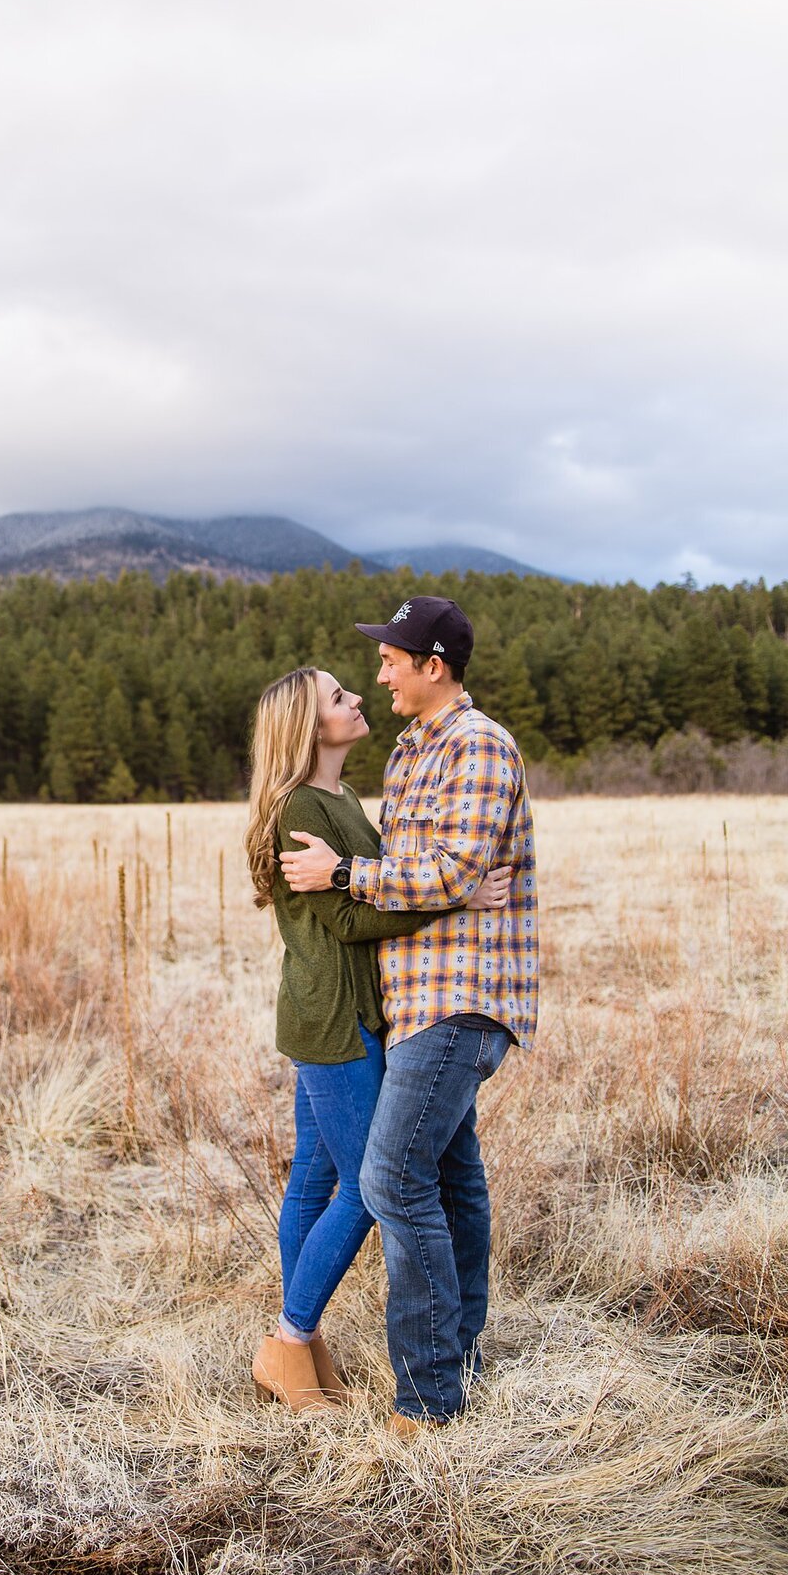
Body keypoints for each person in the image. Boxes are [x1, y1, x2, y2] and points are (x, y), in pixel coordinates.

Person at [280, 596, 538, 1436]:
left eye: (392, 657)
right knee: (448, 1177)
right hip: (412, 998)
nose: (378, 670)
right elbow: (438, 872)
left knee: (389, 1178)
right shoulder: (410, 752)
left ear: (434, 665)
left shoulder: (478, 745)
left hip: (459, 998)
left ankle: (426, 1400)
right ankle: (456, 1353)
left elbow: (450, 866)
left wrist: (356, 876)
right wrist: (454, 884)